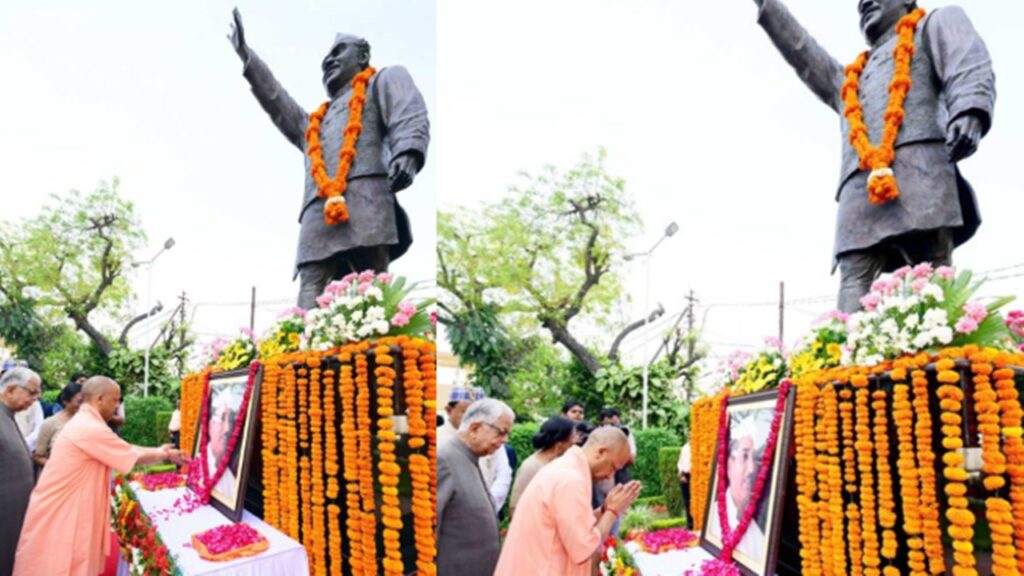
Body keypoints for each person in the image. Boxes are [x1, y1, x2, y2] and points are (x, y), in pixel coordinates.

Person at [751, 0, 995, 312]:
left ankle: (938, 340)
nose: (863, 2)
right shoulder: (849, 81)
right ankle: (844, 343)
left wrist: (970, 109)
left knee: (932, 269)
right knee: (853, 276)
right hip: (860, 184)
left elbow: (967, 61)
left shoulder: (934, 24)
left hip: (922, 168)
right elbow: (801, 51)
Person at [228, 8, 430, 309]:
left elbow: (408, 112)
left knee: (372, 283)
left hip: (367, 197)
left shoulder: (383, 80)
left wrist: (408, 152)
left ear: (363, 56)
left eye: (339, 52)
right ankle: (300, 339)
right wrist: (247, 56)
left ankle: (378, 339)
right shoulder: (313, 124)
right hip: (317, 208)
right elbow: (276, 100)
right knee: (311, 284)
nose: (329, 61)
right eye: (325, 60)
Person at [12, 376, 188, 576]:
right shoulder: (89, 427)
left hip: (66, 505)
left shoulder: (85, 422)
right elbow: (130, 453)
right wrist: (164, 454)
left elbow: (123, 448)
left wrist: (160, 451)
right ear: (100, 399)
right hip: (64, 511)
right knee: (60, 564)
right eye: (116, 400)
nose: (117, 406)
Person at [495, 426, 643, 576]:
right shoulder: (570, 480)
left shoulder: (567, 469)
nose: (610, 476)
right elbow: (584, 547)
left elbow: (575, 525)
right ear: (601, 452)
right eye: (613, 467)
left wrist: (604, 509)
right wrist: (612, 511)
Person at [437, 398, 515, 576]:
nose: (505, 440)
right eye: (501, 432)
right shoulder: (444, 460)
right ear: (474, 429)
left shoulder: (470, 458)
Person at [705, 416, 766, 562]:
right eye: (744, 456)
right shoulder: (712, 520)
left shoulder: (759, 536)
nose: (751, 469)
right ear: (729, 466)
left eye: (755, 459)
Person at [0, 367, 41, 576]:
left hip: (13, 515)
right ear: (10, 390)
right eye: (31, 393)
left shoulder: (8, 416)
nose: (34, 400)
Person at [508, 416, 576, 519]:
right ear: (559, 445)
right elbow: (515, 508)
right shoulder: (531, 467)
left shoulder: (562, 463)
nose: (575, 442)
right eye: (572, 437)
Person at [32, 383, 84, 470]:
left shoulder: (87, 423)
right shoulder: (50, 424)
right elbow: (38, 457)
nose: (82, 406)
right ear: (65, 401)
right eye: (79, 402)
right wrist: (59, 468)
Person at [678, 441, 693, 529]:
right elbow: (680, 463)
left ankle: (696, 522)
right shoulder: (685, 447)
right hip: (685, 475)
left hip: (695, 475)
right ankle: (689, 523)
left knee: (694, 500)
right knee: (687, 501)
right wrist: (681, 475)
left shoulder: (698, 446)